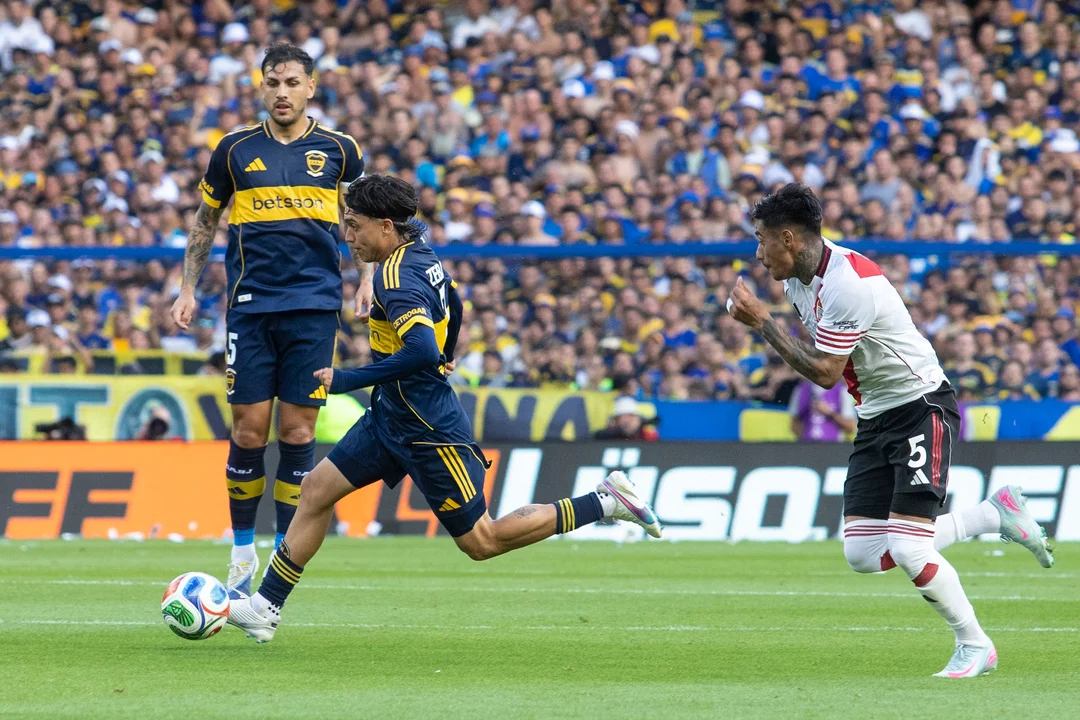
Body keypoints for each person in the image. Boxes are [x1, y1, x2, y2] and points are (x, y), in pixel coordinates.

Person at [227, 175, 661, 642]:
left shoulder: (394, 280)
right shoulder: (419, 252)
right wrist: (448, 346)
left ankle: (605, 501)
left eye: (354, 226)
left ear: (386, 226)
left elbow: (416, 351)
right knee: (315, 490)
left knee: (483, 541)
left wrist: (349, 378)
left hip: (427, 427)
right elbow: (453, 296)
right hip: (390, 414)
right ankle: (265, 606)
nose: (347, 236)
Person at [728, 183, 1054, 678]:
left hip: (920, 406)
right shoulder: (798, 281)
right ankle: (991, 515)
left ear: (788, 238)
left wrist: (761, 323)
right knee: (862, 553)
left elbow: (824, 373)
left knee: (907, 546)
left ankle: (975, 644)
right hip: (876, 415)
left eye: (761, 239)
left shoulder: (848, 283)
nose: (757, 252)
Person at [169, 44, 373, 596]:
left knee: (299, 430)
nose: (281, 92)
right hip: (252, 307)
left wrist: (367, 278)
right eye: (272, 82)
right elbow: (205, 220)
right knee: (249, 430)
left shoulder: (339, 149)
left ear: (311, 87)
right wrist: (187, 288)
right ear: (261, 88)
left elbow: (358, 221)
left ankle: (284, 556)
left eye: (291, 82)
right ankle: (240, 551)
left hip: (313, 307)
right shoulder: (234, 149)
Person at [594, 395, 659, 440]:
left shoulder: (648, 436)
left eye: (630, 416)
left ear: (638, 418)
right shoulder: (608, 436)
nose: (626, 420)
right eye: (622, 417)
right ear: (616, 420)